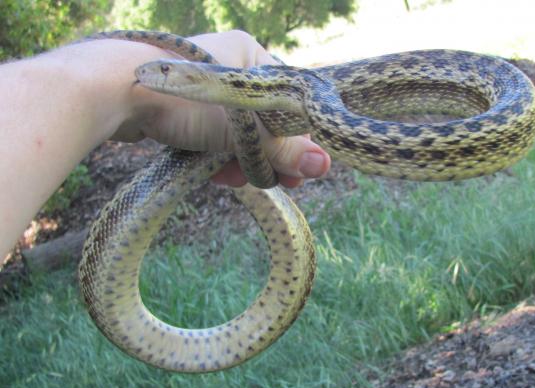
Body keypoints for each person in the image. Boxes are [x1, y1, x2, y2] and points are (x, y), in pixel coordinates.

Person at [0, 30, 331, 261]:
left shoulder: (296, 91)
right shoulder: (241, 90)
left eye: (165, 70)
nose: (148, 73)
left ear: (197, 75)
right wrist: (108, 89)